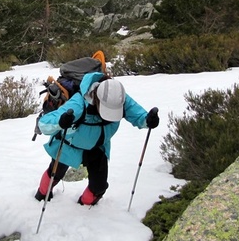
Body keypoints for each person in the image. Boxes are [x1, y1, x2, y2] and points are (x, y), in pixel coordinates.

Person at [34, 71, 159, 205]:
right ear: (97, 99)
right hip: (70, 144)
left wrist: (148, 120)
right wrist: (61, 122)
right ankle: (41, 196)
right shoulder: (79, 103)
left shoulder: (119, 99)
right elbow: (44, 123)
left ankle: (84, 208)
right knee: (55, 173)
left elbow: (138, 115)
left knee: (99, 186)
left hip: (98, 146)